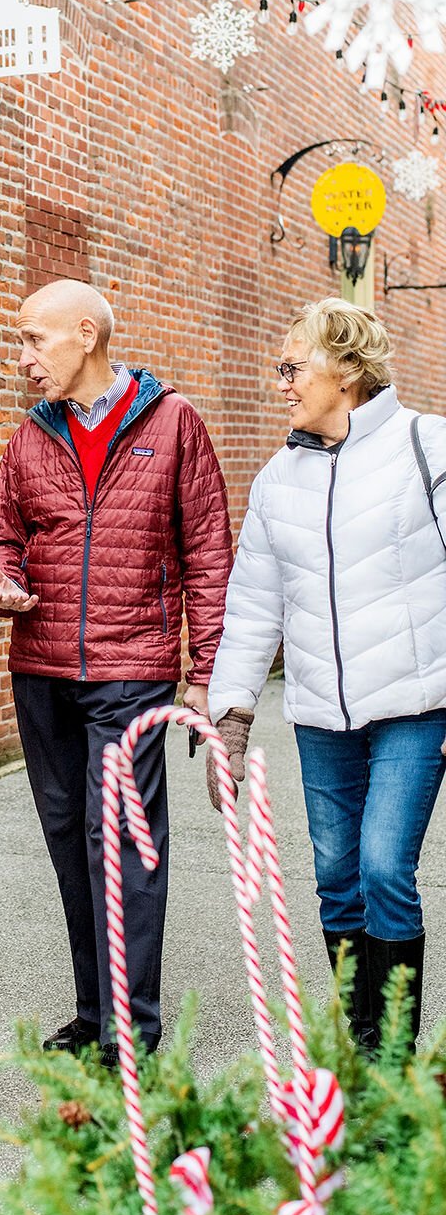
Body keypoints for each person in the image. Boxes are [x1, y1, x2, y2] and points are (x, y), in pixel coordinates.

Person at [0, 278, 232, 1065]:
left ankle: (134, 1027)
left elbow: (210, 553)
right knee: (67, 840)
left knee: (117, 839)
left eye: (34, 340)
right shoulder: (32, 436)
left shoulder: (172, 422)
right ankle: (94, 1013)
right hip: (43, 670)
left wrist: (207, 672)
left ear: (85, 334)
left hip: (132, 670)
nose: (23, 359)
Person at [208, 297, 446, 1054]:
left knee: (382, 868)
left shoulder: (426, 447)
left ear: (346, 370)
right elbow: (253, 603)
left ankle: (393, 1049)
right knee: (337, 879)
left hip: (415, 704)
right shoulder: (279, 479)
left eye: (292, 366)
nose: (281, 382)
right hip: (319, 715)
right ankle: (362, 1034)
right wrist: (234, 713)